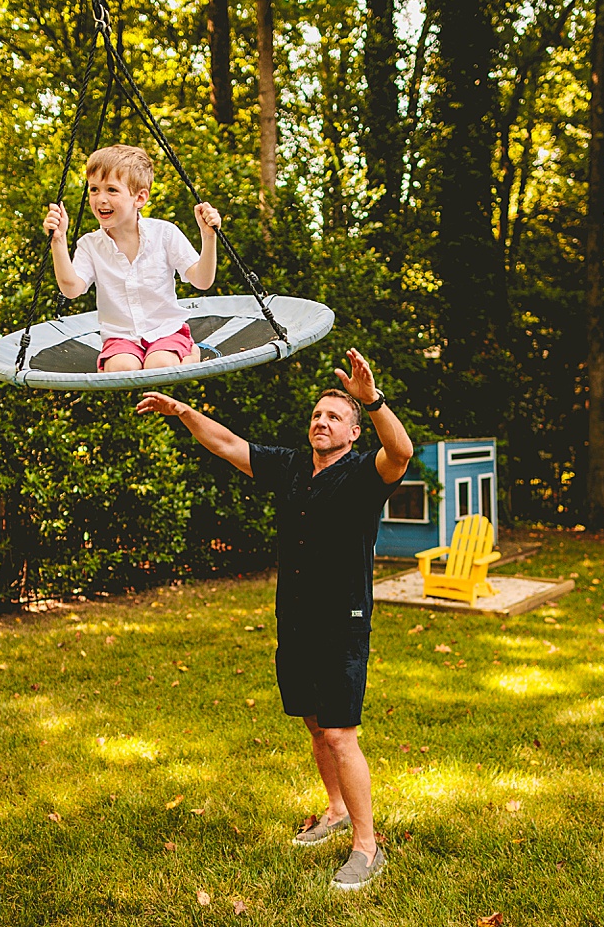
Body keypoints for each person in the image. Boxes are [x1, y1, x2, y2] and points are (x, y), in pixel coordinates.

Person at [136, 348, 412, 891]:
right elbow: (229, 445)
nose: (321, 422)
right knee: (313, 722)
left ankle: (366, 846)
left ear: (355, 432)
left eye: (335, 417)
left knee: (339, 732)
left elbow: (400, 452)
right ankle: (334, 811)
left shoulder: (364, 474)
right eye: (317, 414)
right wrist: (183, 412)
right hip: (296, 620)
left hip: (342, 621)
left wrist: (372, 400)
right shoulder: (291, 466)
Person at [44, 144, 222, 372]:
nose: (101, 199)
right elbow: (71, 289)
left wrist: (209, 238)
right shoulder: (90, 245)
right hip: (121, 338)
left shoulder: (164, 234)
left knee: (160, 364)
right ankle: (113, 364)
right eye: (94, 189)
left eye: (112, 190)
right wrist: (58, 241)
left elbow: (202, 280)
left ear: (139, 198)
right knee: (121, 369)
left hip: (166, 331)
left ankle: (190, 353)